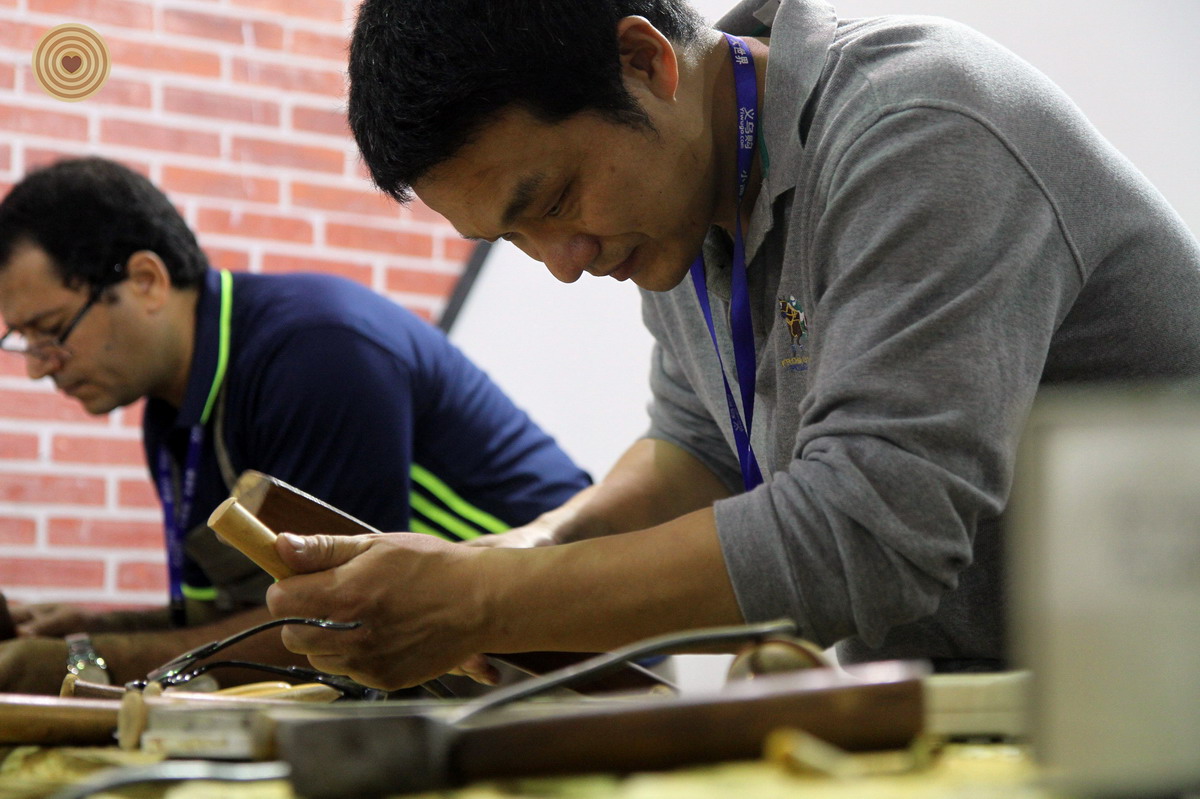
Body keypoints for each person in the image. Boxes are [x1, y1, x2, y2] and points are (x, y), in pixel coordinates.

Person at [264, 0, 1200, 689]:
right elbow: (699, 454)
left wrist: (489, 600)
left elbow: (868, 532)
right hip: (978, 715)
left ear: (645, 61)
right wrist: (508, 558)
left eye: (550, 202)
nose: (563, 262)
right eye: (515, 241)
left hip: (1152, 713)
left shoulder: (920, 127)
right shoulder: (686, 221)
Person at [0, 157, 591, 694]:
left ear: (148, 281)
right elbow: (225, 621)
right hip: (440, 671)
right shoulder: (171, 415)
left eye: (51, 331)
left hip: (562, 663)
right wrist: (84, 634)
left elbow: (338, 625)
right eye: (23, 342)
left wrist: (76, 661)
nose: (36, 369)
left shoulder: (317, 350)